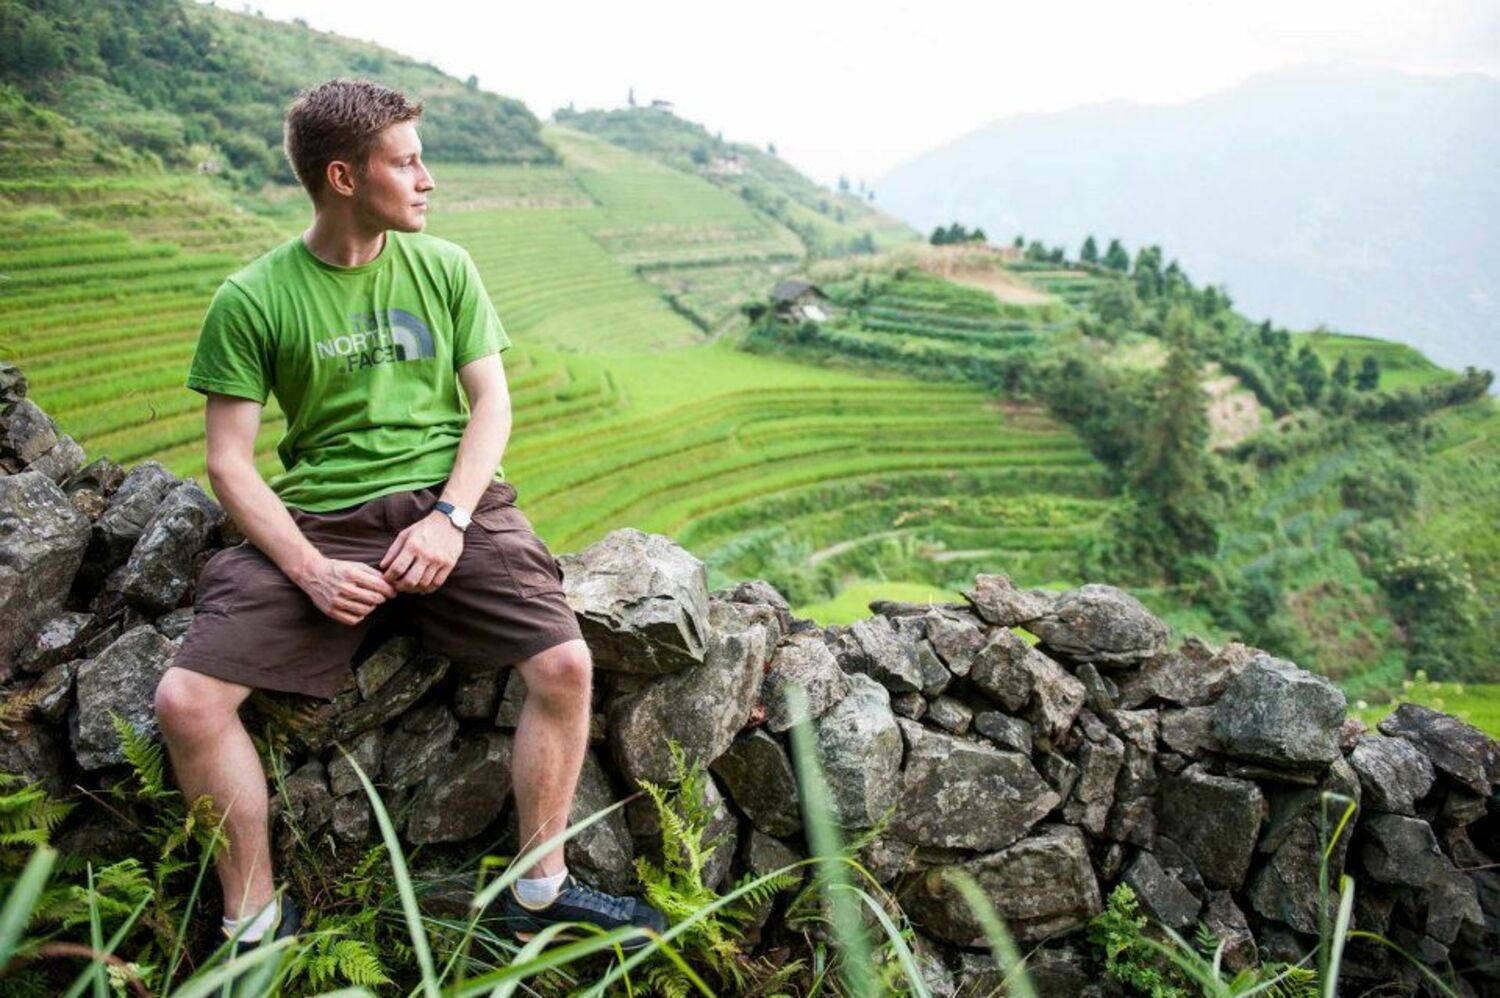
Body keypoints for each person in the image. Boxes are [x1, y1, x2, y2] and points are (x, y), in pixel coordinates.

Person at [151, 78, 666, 953]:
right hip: (323, 518)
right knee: (188, 701)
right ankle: (255, 925)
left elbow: (492, 408)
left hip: (449, 503)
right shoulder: (252, 297)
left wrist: (451, 518)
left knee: (567, 664)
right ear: (346, 177)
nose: (428, 179)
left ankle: (539, 892)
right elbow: (228, 462)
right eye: (408, 162)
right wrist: (310, 569)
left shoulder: (447, 267)